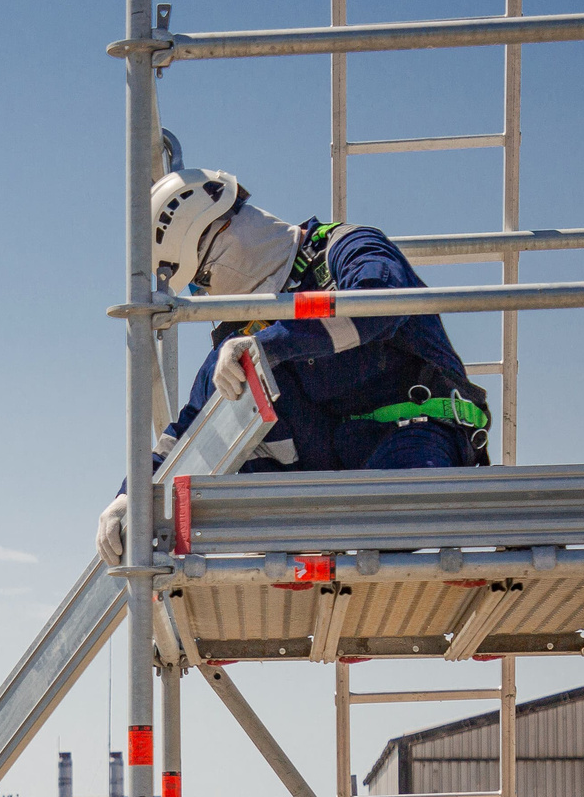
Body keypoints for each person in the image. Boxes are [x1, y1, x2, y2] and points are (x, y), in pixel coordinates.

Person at [100, 166, 488, 562]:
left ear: (226, 236)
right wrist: (131, 495)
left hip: (415, 436)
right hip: (336, 479)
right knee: (219, 461)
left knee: (390, 521)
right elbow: (188, 430)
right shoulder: (241, 336)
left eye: (200, 279)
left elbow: (379, 304)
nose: (202, 294)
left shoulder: (346, 248)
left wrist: (271, 346)